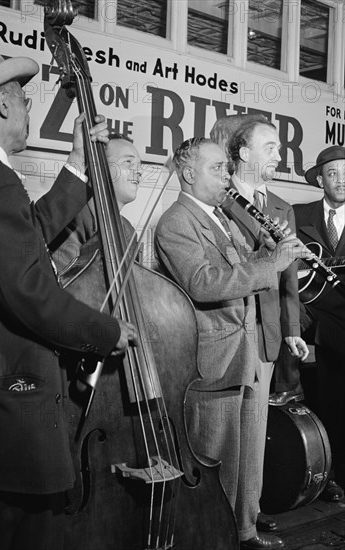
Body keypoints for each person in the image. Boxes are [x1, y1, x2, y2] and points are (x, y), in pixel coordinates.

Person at [0, 40, 137, 550]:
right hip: (13, 412)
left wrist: (77, 166)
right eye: (22, 98)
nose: (27, 108)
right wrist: (106, 331)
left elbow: (21, 243)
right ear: (2, 104)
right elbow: (30, 292)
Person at [155, 137, 309, 549]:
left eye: (226, 167)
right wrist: (272, 263)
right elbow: (204, 284)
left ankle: (244, 530)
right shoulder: (176, 223)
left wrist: (274, 252)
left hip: (245, 352)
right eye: (217, 168)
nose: (227, 176)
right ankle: (213, 536)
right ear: (188, 174)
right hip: (214, 359)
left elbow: (243, 270)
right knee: (217, 458)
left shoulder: (221, 216)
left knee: (244, 457)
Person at [220, 117, 309, 529]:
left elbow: (289, 277)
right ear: (243, 154)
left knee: (255, 434)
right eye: (270, 147)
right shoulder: (220, 201)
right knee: (229, 434)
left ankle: (248, 513)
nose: (279, 155)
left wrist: (291, 329)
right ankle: (229, 516)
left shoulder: (281, 206)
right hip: (230, 329)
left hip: (267, 332)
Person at [292, 145, 345, 501]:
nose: (341, 180)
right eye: (332, 174)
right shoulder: (298, 214)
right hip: (316, 326)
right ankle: (330, 478)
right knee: (325, 403)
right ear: (321, 180)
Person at [50, 133, 143, 274]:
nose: (140, 171)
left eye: (140, 165)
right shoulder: (69, 220)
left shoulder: (128, 231)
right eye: (128, 162)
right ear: (99, 168)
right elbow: (69, 285)